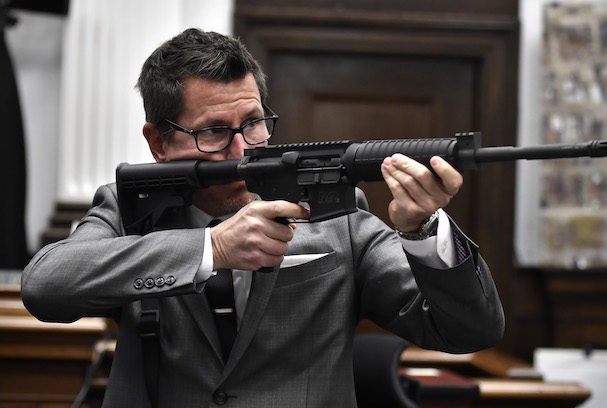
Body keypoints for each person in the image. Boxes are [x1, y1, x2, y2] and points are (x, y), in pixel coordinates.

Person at [21, 28, 504, 407]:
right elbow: (46, 286)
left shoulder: (336, 214)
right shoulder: (128, 209)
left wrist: (422, 230)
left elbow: (468, 332)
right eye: (213, 132)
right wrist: (211, 250)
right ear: (157, 143)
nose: (242, 149)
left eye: (253, 123)